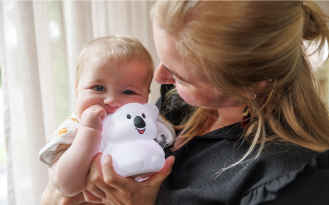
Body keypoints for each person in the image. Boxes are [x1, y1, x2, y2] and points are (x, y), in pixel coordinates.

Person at [41, 0, 329, 204]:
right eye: (163, 57)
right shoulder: (178, 103)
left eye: (182, 76)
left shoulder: (293, 180)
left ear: (251, 83)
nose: (159, 77)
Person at [38, 34, 175, 197]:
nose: (111, 101)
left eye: (128, 92)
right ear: (77, 91)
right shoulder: (74, 129)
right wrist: (89, 131)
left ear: (146, 96)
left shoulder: (151, 124)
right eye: (98, 88)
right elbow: (66, 186)